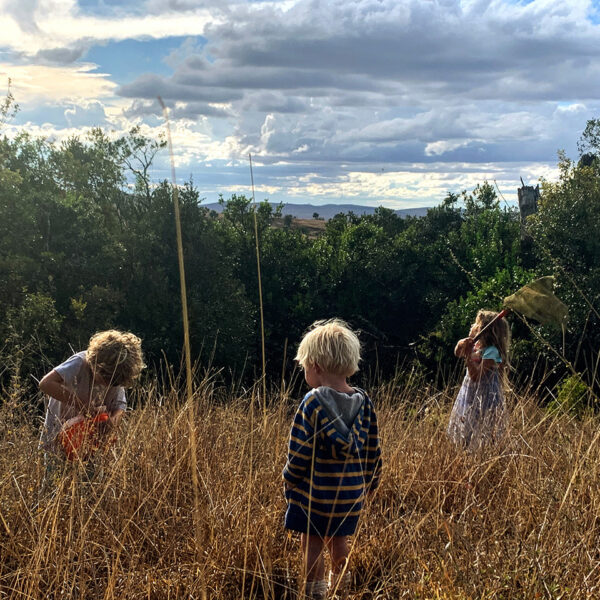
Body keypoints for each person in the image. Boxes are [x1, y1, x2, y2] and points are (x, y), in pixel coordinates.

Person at [282, 319, 382, 600]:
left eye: (304, 367)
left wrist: (288, 478)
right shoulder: (364, 402)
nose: (304, 372)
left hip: (316, 492)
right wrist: (372, 481)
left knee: (311, 543)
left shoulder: (312, 402)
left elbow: (299, 451)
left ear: (316, 366)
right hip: (350, 492)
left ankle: (315, 593)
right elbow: (373, 447)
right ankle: (342, 589)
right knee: (339, 540)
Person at [38, 330, 144, 481]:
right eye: (105, 378)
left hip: (91, 445)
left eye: (113, 382)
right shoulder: (79, 363)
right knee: (54, 486)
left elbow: (120, 406)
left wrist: (113, 421)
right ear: (95, 362)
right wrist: (82, 406)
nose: (109, 383)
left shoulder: (117, 375)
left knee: (90, 487)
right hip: (58, 440)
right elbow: (45, 384)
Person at [447, 310, 511, 450]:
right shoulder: (475, 346)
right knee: (467, 425)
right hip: (470, 394)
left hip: (485, 397)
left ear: (483, 330)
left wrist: (468, 356)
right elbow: (457, 353)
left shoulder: (491, 351)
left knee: (483, 430)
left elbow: (476, 376)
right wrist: (460, 344)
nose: (472, 325)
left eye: (476, 323)